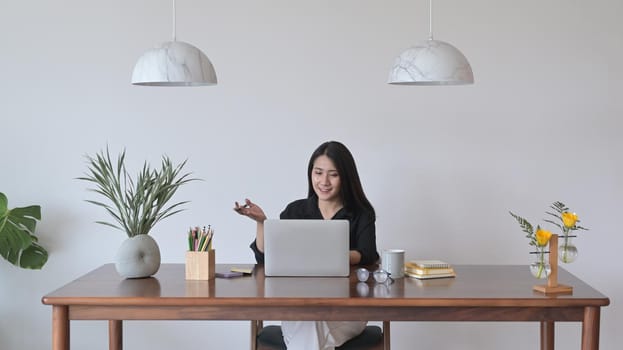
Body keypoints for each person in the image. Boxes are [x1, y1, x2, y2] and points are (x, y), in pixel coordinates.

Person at [234, 141, 379, 350]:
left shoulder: (361, 213)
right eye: (318, 173)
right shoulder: (295, 211)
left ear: (346, 177)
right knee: (309, 323)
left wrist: (334, 256)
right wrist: (262, 223)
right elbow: (267, 258)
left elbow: (368, 254)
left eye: (333, 174)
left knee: (310, 332)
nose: (324, 181)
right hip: (298, 309)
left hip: (347, 311)